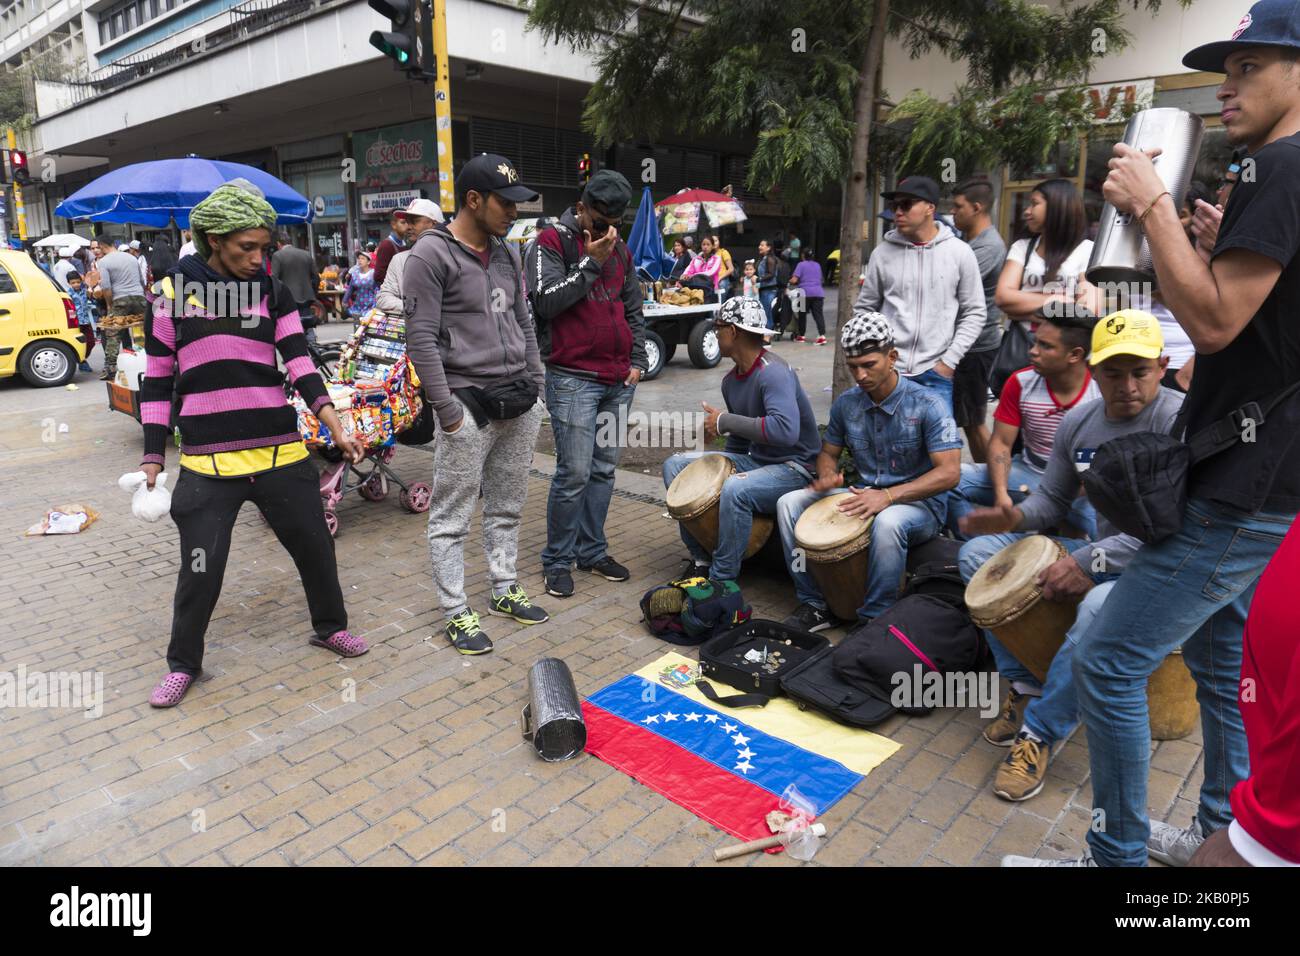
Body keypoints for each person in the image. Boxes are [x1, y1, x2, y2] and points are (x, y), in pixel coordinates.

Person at [1006, 11, 1300, 867]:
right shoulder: (1272, 174)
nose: (1227, 85)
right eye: (1225, 68)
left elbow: (1209, 324)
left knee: (1104, 661)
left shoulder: (1283, 167)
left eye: (1250, 66)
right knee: (1220, 672)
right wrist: (1204, 243)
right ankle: (1221, 839)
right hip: (1257, 471)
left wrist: (1153, 204)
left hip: (1243, 485)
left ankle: (1119, 859)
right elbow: (1251, 320)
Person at [138, 180, 367, 709]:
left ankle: (329, 627)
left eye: (264, 247)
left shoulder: (271, 291)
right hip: (205, 462)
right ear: (214, 240)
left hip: (280, 452)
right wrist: (153, 456)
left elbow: (300, 362)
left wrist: (333, 424)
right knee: (201, 567)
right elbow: (155, 379)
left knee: (315, 547)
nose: (259, 258)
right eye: (248, 247)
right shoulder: (170, 296)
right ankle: (184, 664)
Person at [960, 312, 1183, 805]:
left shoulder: (1179, 421)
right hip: (1103, 550)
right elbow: (1052, 504)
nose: (1126, 385)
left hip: (1167, 563)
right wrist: (1010, 518)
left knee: (1097, 608)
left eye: (1140, 371)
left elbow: (1177, 528)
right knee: (978, 557)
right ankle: (1025, 686)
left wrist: (1087, 563)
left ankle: (1039, 734)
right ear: (1095, 372)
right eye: (1114, 372)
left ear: (1162, 365)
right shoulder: (1080, 423)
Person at [404, 153, 549, 655]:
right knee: (451, 515)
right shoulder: (430, 255)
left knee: (508, 505)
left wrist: (537, 380)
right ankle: (454, 610)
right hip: (467, 406)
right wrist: (446, 411)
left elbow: (524, 323)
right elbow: (419, 337)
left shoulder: (508, 254)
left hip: (519, 402)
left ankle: (504, 587)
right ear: (473, 200)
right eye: (504, 203)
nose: (513, 212)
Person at [776, 312, 962, 632]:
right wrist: (827, 475)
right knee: (789, 504)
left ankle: (875, 618)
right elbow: (828, 453)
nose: (860, 375)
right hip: (863, 494)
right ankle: (814, 603)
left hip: (919, 506)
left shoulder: (928, 403)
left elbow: (949, 473)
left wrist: (888, 496)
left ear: (892, 357)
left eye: (868, 365)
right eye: (853, 367)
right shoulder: (847, 404)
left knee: (888, 522)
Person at [524, 169, 648, 597]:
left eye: (614, 223)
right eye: (599, 220)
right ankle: (557, 560)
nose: (606, 230)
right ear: (581, 208)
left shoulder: (623, 250)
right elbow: (547, 302)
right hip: (574, 379)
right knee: (573, 472)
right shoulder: (550, 242)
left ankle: (591, 551)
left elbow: (634, 308)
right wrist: (592, 261)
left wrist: (637, 361)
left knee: (603, 470)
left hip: (618, 381)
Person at [662, 298, 821, 587]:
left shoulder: (773, 372)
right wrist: (717, 466)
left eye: (718, 327)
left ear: (733, 332)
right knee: (676, 467)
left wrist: (723, 421)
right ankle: (702, 561)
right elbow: (739, 441)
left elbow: (786, 432)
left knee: (736, 488)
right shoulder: (730, 381)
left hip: (795, 468)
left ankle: (722, 582)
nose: (714, 332)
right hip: (760, 462)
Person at [1192, 513, 1300, 867]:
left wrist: (1263, 840)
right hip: (1269, 791)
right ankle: (1216, 820)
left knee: (1106, 666)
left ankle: (1114, 849)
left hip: (1279, 836)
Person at [947, 309, 1101, 538]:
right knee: (949, 482)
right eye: (1035, 342)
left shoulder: (1100, 393)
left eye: (1045, 346)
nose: (1033, 352)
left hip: (1079, 489)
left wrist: (1049, 502)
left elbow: (1094, 469)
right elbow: (1000, 443)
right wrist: (1001, 494)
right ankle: (989, 552)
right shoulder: (1020, 381)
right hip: (1030, 472)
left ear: (1075, 355)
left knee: (1108, 536)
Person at [854, 175, 986, 412]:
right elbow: (864, 310)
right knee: (885, 446)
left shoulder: (959, 252)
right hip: (888, 373)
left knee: (935, 449)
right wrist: (874, 357)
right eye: (895, 206)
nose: (898, 213)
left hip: (935, 374)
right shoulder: (882, 253)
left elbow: (975, 312)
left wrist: (948, 362)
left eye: (906, 205)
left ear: (929, 208)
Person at [950, 179, 1008, 462]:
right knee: (967, 420)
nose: (953, 213)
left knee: (973, 422)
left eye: (958, 207)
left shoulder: (988, 247)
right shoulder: (968, 242)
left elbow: (951, 283)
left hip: (975, 348)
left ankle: (991, 483)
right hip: (966, 346)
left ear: (977, 207)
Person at [994, 178, 1093, 332]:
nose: (1027, 211)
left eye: (1034, 203)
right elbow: (1003, 297)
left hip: (1064, 348)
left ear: (1057, 206)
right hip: (1021, 345)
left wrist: (1018, 311)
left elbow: (1087, 310)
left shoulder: (1087, 250)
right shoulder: (1021, 247)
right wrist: (1056, 301)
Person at [375, 198, 443, 317]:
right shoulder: (399, 260)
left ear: (434, 223)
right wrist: (412, 307)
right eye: (407, 222)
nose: (408, 227)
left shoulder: (452, 257)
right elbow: (384, 297)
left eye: (415, 221)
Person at [96, 241, 148, 381]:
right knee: (148, 328)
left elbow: (106, 286)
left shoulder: (103, 262)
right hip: (139, 296)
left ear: (102, 246)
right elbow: (142, 280)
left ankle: (110, 367)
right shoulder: (131, 257)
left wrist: (109, 304)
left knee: (113, 332)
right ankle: (153, 358)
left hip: (120, 299)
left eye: (97, 248)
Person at [271, 233, 322, 343]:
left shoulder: (277, 255)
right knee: (307, 326)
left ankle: (297, 349)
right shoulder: (306, 254)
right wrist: (313, 292)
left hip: (287, 299)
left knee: (290, 328)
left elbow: (274, 279)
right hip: (306, 297)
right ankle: (314, 351)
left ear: (279, 244)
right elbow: (316, 277)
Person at [788, 247, 827, 344]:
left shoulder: (801, 265)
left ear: (803, 255)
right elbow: (821, 279)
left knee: (802, 315)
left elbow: (794, 280)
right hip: (818, 293)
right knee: (818, 315)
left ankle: (801, 336)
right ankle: (822, 336)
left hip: (803, 293)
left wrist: (787, 281)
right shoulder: (817, 265)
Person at [67, 272, 97, 373]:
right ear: (69, 283)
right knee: (79, 343)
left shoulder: (85, 291)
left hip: (86, 321)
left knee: (91, 342)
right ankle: (82, 362)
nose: (76, 284)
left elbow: (91, 299)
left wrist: (90, 295)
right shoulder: (68, 295)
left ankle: (82, 359)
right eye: (73, 283)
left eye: (78, 282)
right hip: (76, 323)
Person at [371, 208, 409, 287]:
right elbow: (378, 276)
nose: (407, 226)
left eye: (408, 222)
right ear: (393, 225)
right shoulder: (386, 245)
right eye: (403, 222)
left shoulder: (405, 244)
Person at [342, 251, 377, 320]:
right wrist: (344, 301)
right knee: (358, 327)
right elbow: (350, 288)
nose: (360, 260)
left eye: (363, 258)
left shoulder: (374, 274)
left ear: (368, 262)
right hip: (358, 305)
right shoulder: (355, 274)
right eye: (359, 258)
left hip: (371, 306)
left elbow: (378, 289)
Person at [756, 239, 782, 329]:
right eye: (760, 245)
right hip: (764, 289)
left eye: (762, 245)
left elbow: (771, 274)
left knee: (767, 312)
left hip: (769, 289)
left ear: (768, 247)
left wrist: (758, 279)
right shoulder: (763, 258)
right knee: (765, 311)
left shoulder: (770, 258)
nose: (760, 247)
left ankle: (768, 333)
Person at [712, 233, 735, 300]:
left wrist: (719, 278)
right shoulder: (709, 255)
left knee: (720, 305)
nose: (714, 243)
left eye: (716, 241)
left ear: (719, 242)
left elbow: (731, 269)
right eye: (712, 241)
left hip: (722, 282)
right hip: (712, 282)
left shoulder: (723, 252)